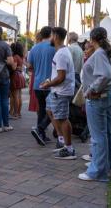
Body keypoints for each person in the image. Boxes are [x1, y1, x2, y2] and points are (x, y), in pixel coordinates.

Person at [78, 27, 111, 181]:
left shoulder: (100, 53)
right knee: (106, 133)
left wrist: (91, 90)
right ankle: (106, 166)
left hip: (98, 97)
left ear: (92, 39)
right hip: (105, 96)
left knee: (98, 136)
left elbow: (105, 76)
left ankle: (98, 171)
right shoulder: (105, 52)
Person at [40, 27, 76, 159]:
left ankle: (69, 149)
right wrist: (49, 81)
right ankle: (61, 141)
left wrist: (48, 84)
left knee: (62, 119)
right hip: (56, 90)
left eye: (51, 36)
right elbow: (59, 74)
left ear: (55, 36)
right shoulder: (62, 52)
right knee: (50, 110)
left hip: (61, 91)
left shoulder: (61, 54)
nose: (50, 38)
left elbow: (61, 77)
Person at [29, 27, 56, 145]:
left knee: (42, 110)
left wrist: (38, 68)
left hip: (38, 83)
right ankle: (41, 128)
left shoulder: (34, 48)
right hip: (51, 84)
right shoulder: (54, 47)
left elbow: (30, 66)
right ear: (50, 34)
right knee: (53, 110)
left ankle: (41, 133)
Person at [10, 42, 26, 119]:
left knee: (15, 95)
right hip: (20, 75)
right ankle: (18, 113)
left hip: (15, 76)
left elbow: (13, 67)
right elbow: (21, 67)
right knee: (19, 96)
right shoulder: (21, 57)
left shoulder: (15, 57)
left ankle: (15, 113)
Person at [27, 33, 42, 113]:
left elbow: (29, 65)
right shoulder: (52, 47)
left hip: (36, 76)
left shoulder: (34, 49)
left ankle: (39, 123)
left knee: (37, 100)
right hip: (49, 77)